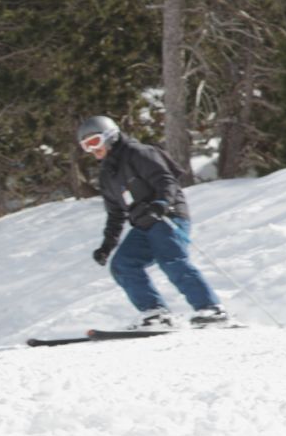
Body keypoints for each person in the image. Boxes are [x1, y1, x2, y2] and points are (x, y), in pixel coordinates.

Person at [79, 115, 229, 328]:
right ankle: (155, 313)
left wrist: (161, 204)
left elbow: (166, 180)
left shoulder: (138, 153)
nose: (92, 149)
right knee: (123, 265)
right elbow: (115, 214)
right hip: (143, 225)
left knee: (171, 259)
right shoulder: (107, 174)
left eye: (94, 142)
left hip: (167, 216)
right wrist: (107, 246)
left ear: (110, 136)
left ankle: (211, 309)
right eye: (86, 146)